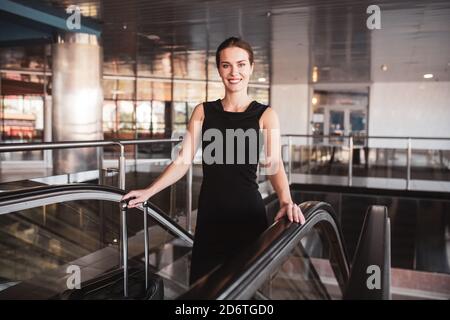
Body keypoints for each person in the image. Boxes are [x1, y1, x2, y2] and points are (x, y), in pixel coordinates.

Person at [122, 37, 305, 285]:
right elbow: (182, 161)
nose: (234, 72)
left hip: (247, 216)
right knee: (203, 286)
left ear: (251, 67)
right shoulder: (203, 111)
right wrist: (149, 191)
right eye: (226, 65)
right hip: (210, 216)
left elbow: (274, 164)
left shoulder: (265, 115)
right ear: (219, 69)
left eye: (241, 64)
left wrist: (286, 201)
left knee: (244, 289)